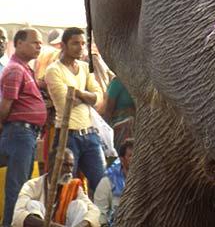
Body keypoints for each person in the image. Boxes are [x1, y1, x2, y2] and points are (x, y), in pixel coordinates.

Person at [44, 28, 104, 193]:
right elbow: (65, 103)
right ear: (63, 45)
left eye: (83, 43)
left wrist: (78, 93)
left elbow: (99, 98)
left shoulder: (85, 67)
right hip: (67, 135)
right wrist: (87, 97)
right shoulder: (53, 70)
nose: (80, 47)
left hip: (90, 135)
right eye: (75, 43)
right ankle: (61, 219)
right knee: (64, 187)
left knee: (102, 184)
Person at [0, 29, 47, 227]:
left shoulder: (24, 68)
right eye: (34, 42)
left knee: (23, 188)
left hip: (26, 134)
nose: (39, 46)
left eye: (40, 43)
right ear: (18, 43)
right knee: (17, 188)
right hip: (19, 133)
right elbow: (5, 108)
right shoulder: (15, 70)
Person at [12, 148, 99, 227]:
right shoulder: (32, 185)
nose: (69, 170)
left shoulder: (73, 186)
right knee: (33, 204)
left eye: (71, 165)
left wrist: (80, 225)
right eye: (65, 165)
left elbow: (94, 211)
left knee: (80, 205)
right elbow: (18, 215)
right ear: (51, 165)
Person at [93, 140, 133, 227]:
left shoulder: (146, 179)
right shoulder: (108, 182)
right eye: (131, 156)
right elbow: (100, 214)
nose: (135, 159)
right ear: (122, 159)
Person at [102, 79, 134, 154]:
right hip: (119, 123)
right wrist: (105, 133)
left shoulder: (140, 83)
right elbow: (108, 111)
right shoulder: (117, 83)